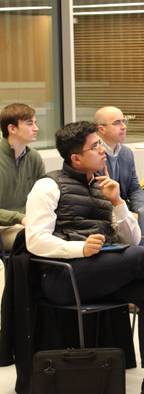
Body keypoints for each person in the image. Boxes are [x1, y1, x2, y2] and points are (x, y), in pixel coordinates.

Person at [25, 121, 144, 394]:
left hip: (98, 271)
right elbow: (34, 240)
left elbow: (131, 240)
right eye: (94, 147)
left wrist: (118, 203)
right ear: (76, 158)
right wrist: (80, 249)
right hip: (64, 277)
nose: (102, 151)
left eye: (100, 144)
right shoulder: (48, 186)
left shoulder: (104, 186)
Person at [0, 103, 45, 312]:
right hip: (7, 227)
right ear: (12, 128)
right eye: (30, 123)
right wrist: (19, 218)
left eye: (35, 122)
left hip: (29, 223)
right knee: (28, 237)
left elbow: (44, 196)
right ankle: (24, 303)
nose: (36, 128)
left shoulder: (34, 157)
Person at [95, 106, 144, 213]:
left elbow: (135, 188)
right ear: (101, 129)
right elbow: (94, 195)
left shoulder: (126, 153)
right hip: (102, 214)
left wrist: (140, 211)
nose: (124, 127)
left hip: (124, 210)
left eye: (124, 121)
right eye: (117, 123)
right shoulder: (93, 155)